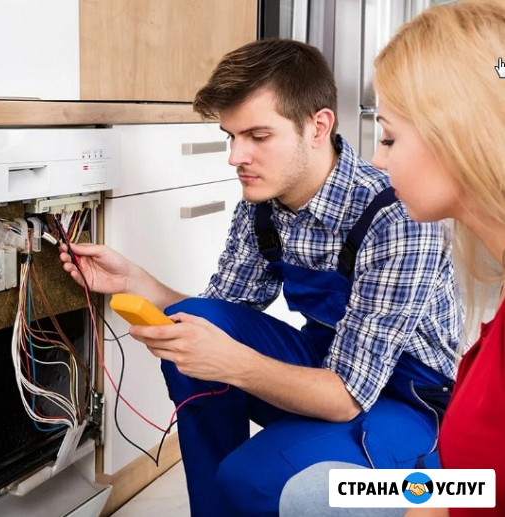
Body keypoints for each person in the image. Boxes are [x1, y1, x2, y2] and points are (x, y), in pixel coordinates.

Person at [60, 38, 462, 517]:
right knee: (193, 322)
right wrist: (135, 282)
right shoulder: (264, 207)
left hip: (405, 402)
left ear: (318, 127)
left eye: (257, 136)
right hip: (327, 366)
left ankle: (421, 478)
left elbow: (348, 396)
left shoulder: (396, 218)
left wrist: (234, 364)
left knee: (253, 480)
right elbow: (218, 316)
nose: (235, 156)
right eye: (231, 136)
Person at [279, 2, 505, 515]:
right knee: (315, 490)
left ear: (461, 136)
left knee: (288, 489)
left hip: (466, 484)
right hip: (465, 487)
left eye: (389, 137)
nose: (378, 160)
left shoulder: (396, 225)